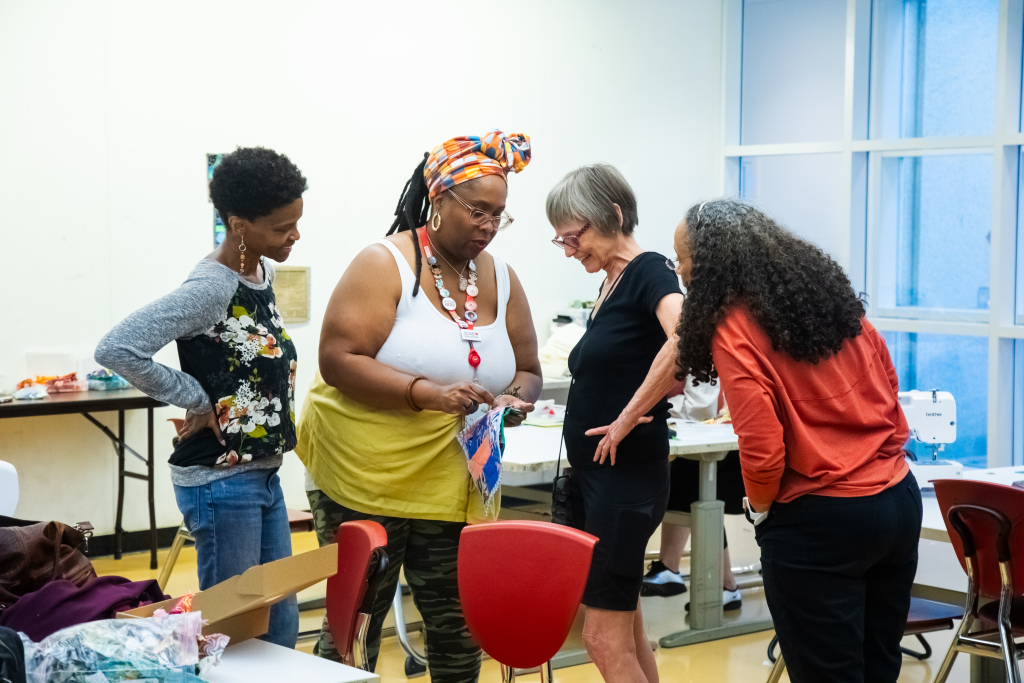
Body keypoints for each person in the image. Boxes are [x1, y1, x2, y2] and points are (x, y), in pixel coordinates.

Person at [297, 131, 541, 682]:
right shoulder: (386, 263)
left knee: (457, 624)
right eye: (478, 210)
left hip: (455, 481)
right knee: (355, 624)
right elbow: (339, 358)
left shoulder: (502, 278)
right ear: (439, 199)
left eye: (500, 215)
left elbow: (528, 371)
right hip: (367, 476)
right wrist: (428, 395)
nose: (488, 225)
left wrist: (513, 400)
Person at [672, 198, 919, 683]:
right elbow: (888, 388)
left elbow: (762, 448)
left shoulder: (733, 328)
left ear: (714, 267)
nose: (678, 269)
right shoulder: (830, 302)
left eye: (683, 259)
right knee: (879, 667)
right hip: (896, 502)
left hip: (819, 521)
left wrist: (759, 508)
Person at [95, 146, 307, 648]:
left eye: (297, 222)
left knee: (279, 626)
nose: (295, 235)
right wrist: (195, 396)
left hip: (260, 470)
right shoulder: (210, 288)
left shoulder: (262, 274)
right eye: (281, 227)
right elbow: (117, 347)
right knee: (236, 635)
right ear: (239, 224)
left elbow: (238, 363)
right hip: (220, 480)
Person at [547, 163, 683, 683]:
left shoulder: (649, 270)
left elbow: (684, 336)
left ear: (614, 215)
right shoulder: (612, 282)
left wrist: (626, 416)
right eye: (559, 241)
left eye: (573, 236)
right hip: (601, 481)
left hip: (623, 482)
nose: (568, 250)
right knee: (624, 633)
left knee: (601, 639)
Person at [641, 380, 745, 612]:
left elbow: (701, 409)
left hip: (737, 446)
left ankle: (724, 585)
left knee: (694, 483)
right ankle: (670, 567)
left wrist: (654, 407)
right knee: (682, 475)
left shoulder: (696, 346)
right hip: (707, 438)